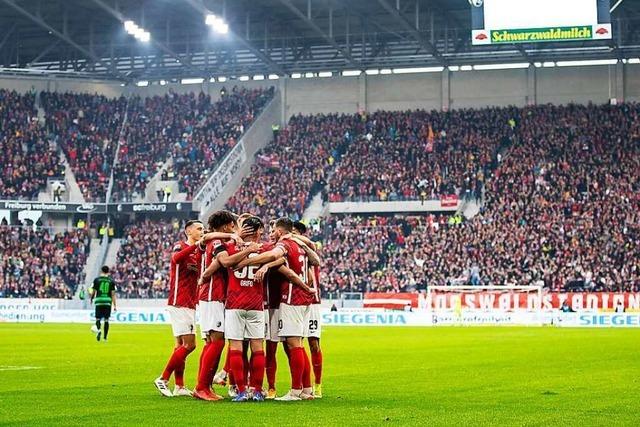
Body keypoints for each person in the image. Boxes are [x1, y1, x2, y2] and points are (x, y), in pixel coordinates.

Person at [235, 217, 317, 401]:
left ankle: (295, 390)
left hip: (290, 298)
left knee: (294, 344)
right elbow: (308, 267)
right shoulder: (299, 245)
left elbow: (274, 255)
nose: (271, 234)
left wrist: (247, 262)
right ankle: (307, 389)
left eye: (273, 230)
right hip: (302, 299)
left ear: (279, 232)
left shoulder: (285, 244)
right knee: (298, 345)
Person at [192, 211, 249, 401]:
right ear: (226, 226)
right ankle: (201, 387)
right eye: (233, 226)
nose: (234, 230)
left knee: (211, 342)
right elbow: (223, 261)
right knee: (217, 341)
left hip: (211, 296)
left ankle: (204, 386)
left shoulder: (212, 240)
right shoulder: (216, 243)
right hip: (212, 295)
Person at [215, 216, 265, 402]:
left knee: (235, 347)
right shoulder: (264, 248)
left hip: (235, 304)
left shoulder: (228, 247)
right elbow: (278, 257)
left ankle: (242, 391)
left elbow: (225, 263)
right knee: (258, 347)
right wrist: (266, 265)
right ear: (259, 230)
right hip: (256, 304)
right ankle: (257, 391)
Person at [153, 220, 204, 398]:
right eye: (199, 229)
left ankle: (180, 386)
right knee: (190, 345)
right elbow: (176, 259)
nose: (202, 231)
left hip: (190, 303)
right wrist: (196, 245)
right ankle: (163, 378)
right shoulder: (179, 246)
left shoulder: (199, 253)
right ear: (188, 231)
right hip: (179, 301)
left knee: (180, 346)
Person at [292, 220, 323, 398]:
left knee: (313, 343)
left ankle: (318, 383)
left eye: (295, 232)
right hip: (296, 302)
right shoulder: (290, 250)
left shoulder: (309, 249)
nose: (292, 235)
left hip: (312, 302)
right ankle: (305, 386)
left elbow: (312, 245)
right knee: (297, 343)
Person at [90, 265, 116, 342]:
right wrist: (114, 305)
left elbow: (94, 291)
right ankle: (105, 338)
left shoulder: (97, 280)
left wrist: (91, 299)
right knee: (106, 320)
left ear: (101, 271)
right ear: (108, 272)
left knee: (98, 319)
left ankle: (98, 331)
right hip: (107, 301)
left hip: (99, 301)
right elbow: (113, 294)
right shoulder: (111, 281)